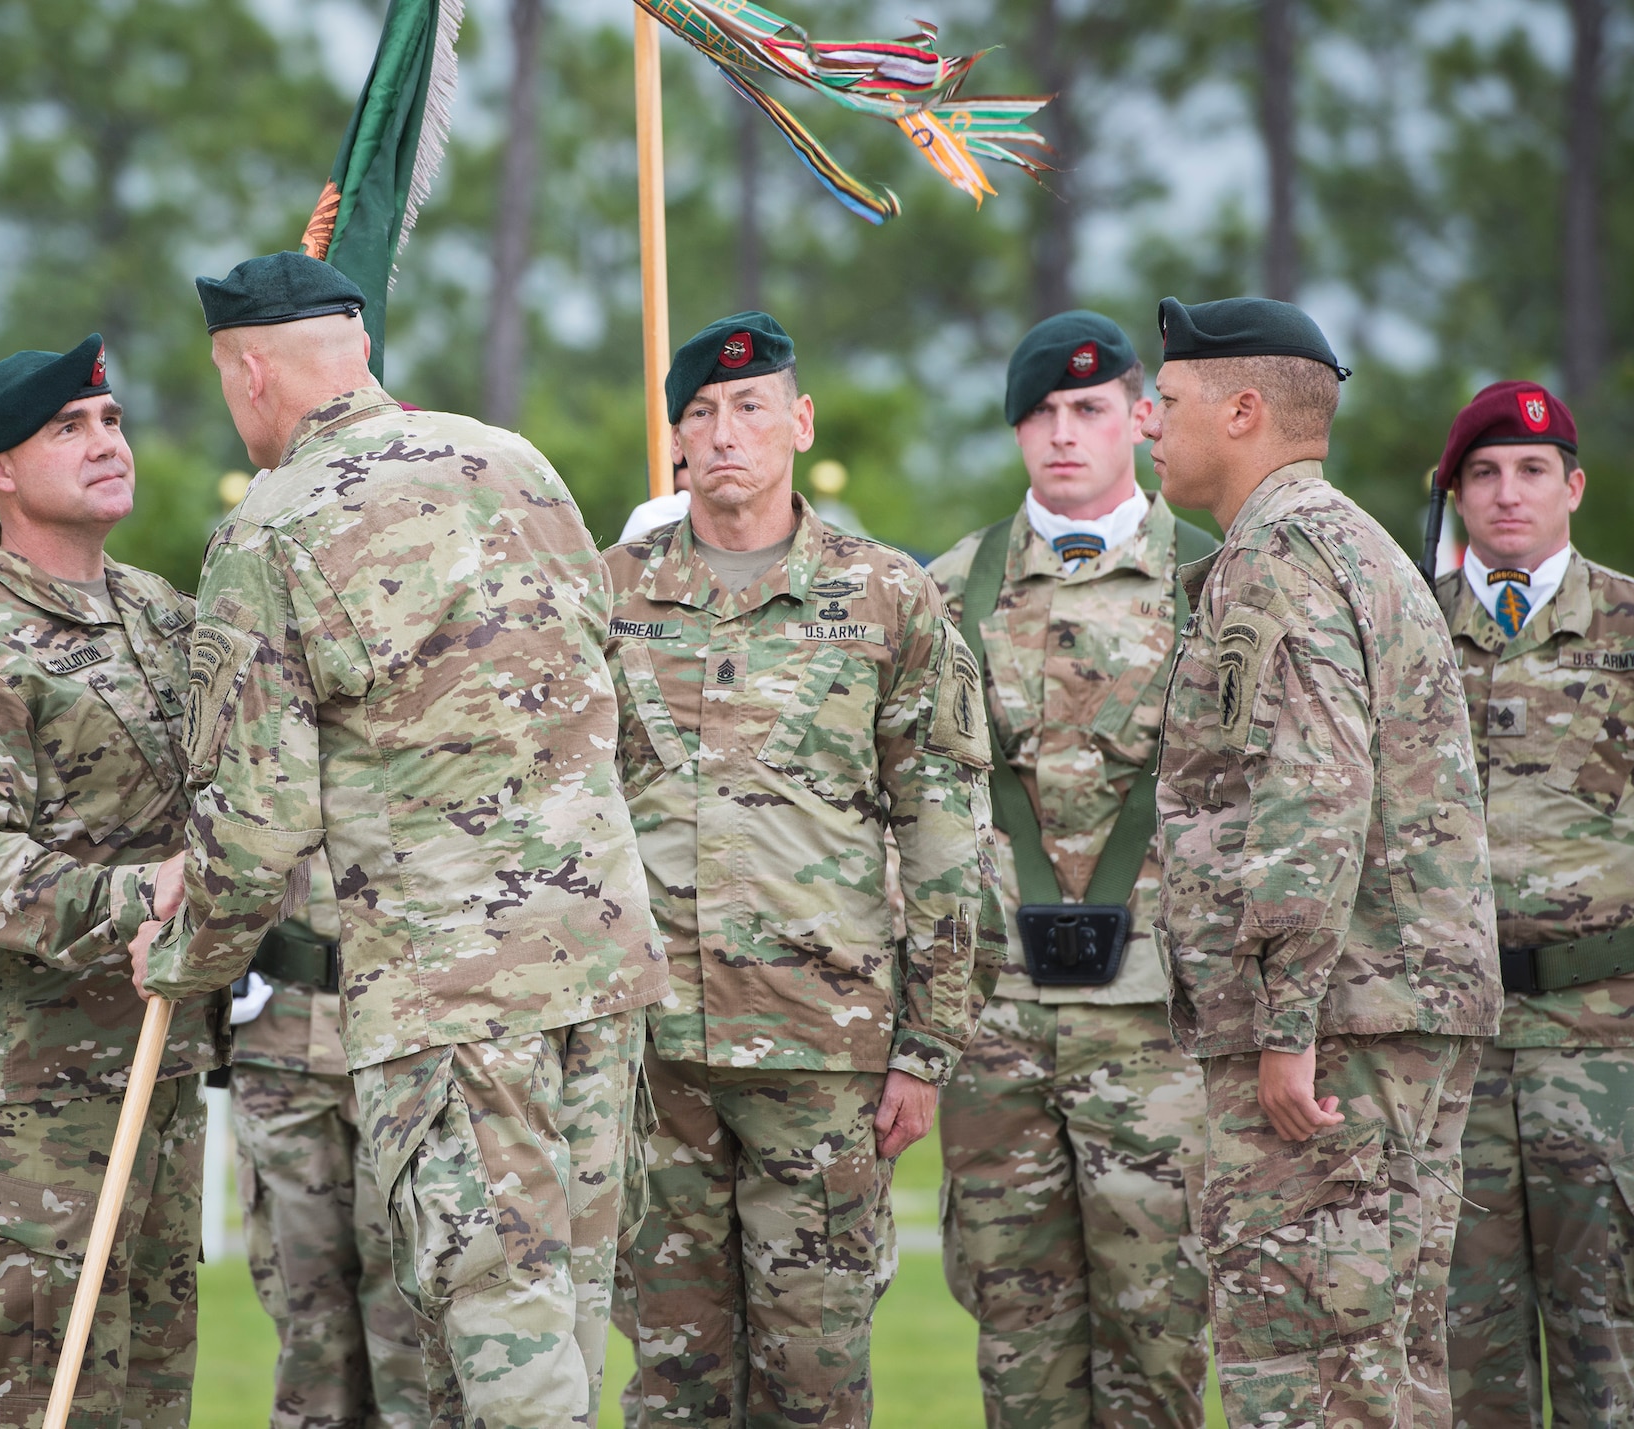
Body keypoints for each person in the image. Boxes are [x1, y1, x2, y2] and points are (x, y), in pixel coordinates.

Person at [135, 250, 670, 1428]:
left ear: (249, 372)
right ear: (359, 348)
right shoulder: (515, 464)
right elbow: (614, 700)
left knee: (498, 1313)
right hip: (596, 955)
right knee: (570, 1302)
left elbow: (258, 815)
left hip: (450, 984)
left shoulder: (268, 533)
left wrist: (184, 960)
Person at [602, 311, 1003, 1426]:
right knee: (671, 1384)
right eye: (699, 412)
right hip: (649, 1055)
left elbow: (942, 826)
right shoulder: (609, 592)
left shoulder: (884, 595)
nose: (723, 431)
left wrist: (926, 1043)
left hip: (821, 1057)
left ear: (797, 419)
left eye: (748, 406)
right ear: (674, 436)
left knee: (814, 1383)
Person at [1144, 295, 1500, 1429]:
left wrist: (1284, 1019)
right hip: (1392, 1009)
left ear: (1241, 408)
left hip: (1336, 1025)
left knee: (1300, 1377)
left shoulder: (1279, 555)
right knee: (1382, 1369)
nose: (1147, 425)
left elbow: (1313, 790)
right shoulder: (1346, 541)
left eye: (1167, 402)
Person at [0, 334, 223, 1428]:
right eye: (66, 428)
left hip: (155, 1080)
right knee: (36, 1409)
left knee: (146, 1406)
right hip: (24, 1111)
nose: (104, 442)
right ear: (0, 469)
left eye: (111, 420)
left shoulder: (161, 614)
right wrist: (143, 896)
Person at [1429, 381, 1634, 1428]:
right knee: (1461, 1361)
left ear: (1572, 485)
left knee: (1599, 1358)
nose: (1506, 494)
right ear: (1454, 497)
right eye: (1481, 474)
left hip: (1603, 1043)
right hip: (1451, 1045)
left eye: (1531, 471)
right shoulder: (1407, 633)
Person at [927, 310, 1213, 1429]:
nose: (1063, 433)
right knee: (1019, 1347)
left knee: (1159, 1336)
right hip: (997, 1022)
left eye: (1088, 409)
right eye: (1039, 412)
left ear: (1141, 419)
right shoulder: (951, 590)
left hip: (1157, 1023)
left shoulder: (1216, 585)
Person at [227, 851, 435, 1429]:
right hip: (279, 1045)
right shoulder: (256, 756)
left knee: (414, 1310)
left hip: (409, 1044)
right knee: (306, 1311)